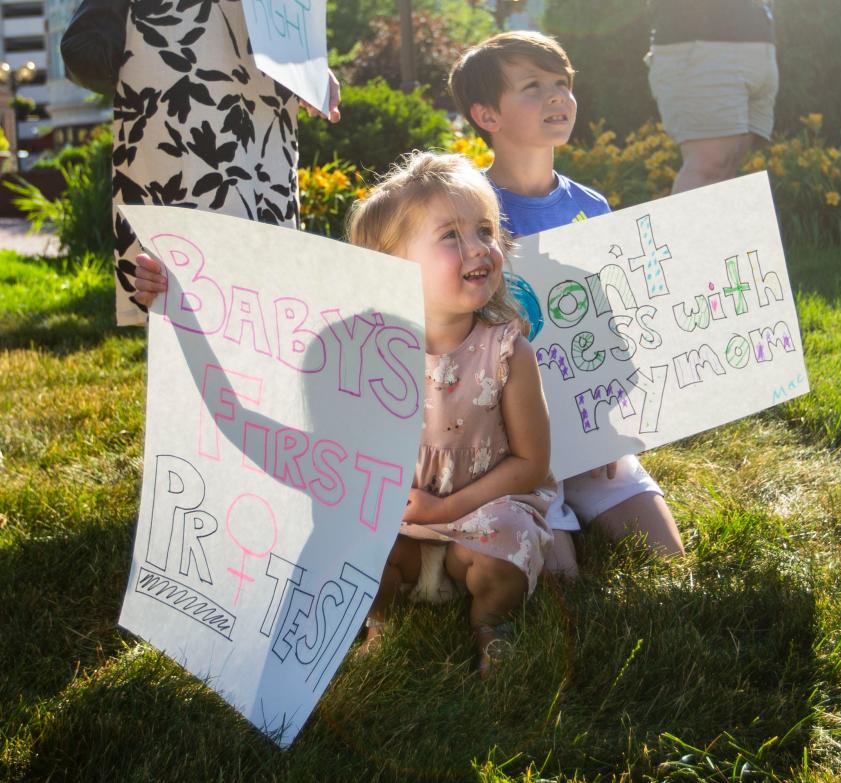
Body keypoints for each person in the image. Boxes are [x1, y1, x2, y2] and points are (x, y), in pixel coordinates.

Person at [132, 152, 555, 677]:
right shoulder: (355, 351)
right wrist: (180, 298)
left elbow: (531, 464)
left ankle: (492, 624)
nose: (477, 249)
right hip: (392, 521)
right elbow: (256, 349)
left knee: (508, 544)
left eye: (485, 230)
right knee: (350, 546)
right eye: (450, 236)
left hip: (477, 515)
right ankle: (381, 623)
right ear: (390, 266)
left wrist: (444, 511)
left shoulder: (508, 351)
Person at [448, 31, 684, 579]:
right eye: (533, 86)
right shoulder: (471, 212)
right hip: (509, 445)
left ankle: (581, 495)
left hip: (587, 424)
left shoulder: (590, 207)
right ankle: (523, 512)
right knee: (558, 582)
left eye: (562, 84)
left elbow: (608, 325)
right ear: (487, 115)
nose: (558, 97)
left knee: (667, 557)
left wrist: (608, 425)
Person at [111, 0, 340, 326]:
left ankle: (256, 369)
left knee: (268, 267)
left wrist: (307, 61)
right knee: (178, 264)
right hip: (174, 39)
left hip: (263, 53)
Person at [646, 0, 778, 194]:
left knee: (725, 170)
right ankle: (679, 226)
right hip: (700, 46)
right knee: (708, 168)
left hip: (758, 40)